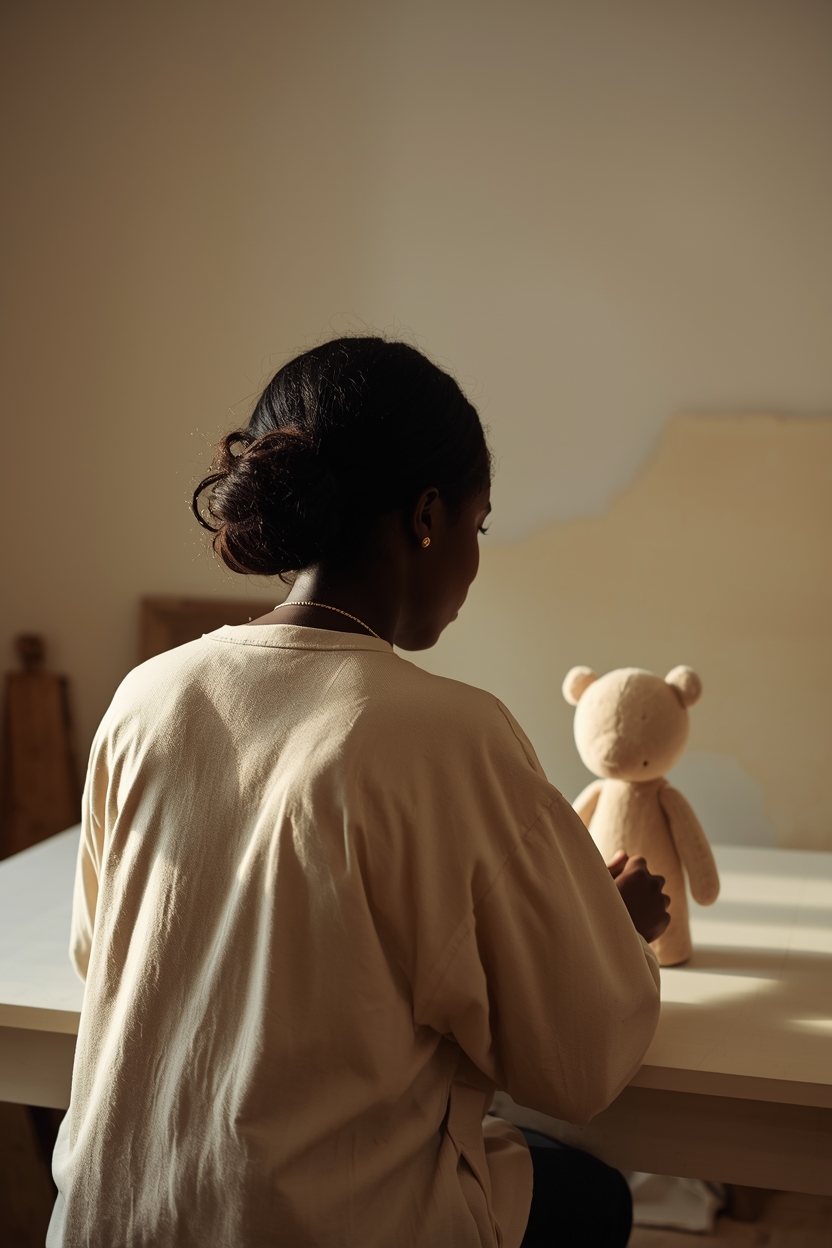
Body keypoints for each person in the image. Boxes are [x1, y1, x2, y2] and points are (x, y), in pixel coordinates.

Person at [49, 337, 668, 1248]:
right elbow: (576, 1063)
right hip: (312, 1226)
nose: (474, 559)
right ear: (427, 516)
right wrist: (611, 931)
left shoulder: (149, 695)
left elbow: (101, 957)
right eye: (478, 525)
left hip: (109, 1218)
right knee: (595, 1198)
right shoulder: (451, 734)